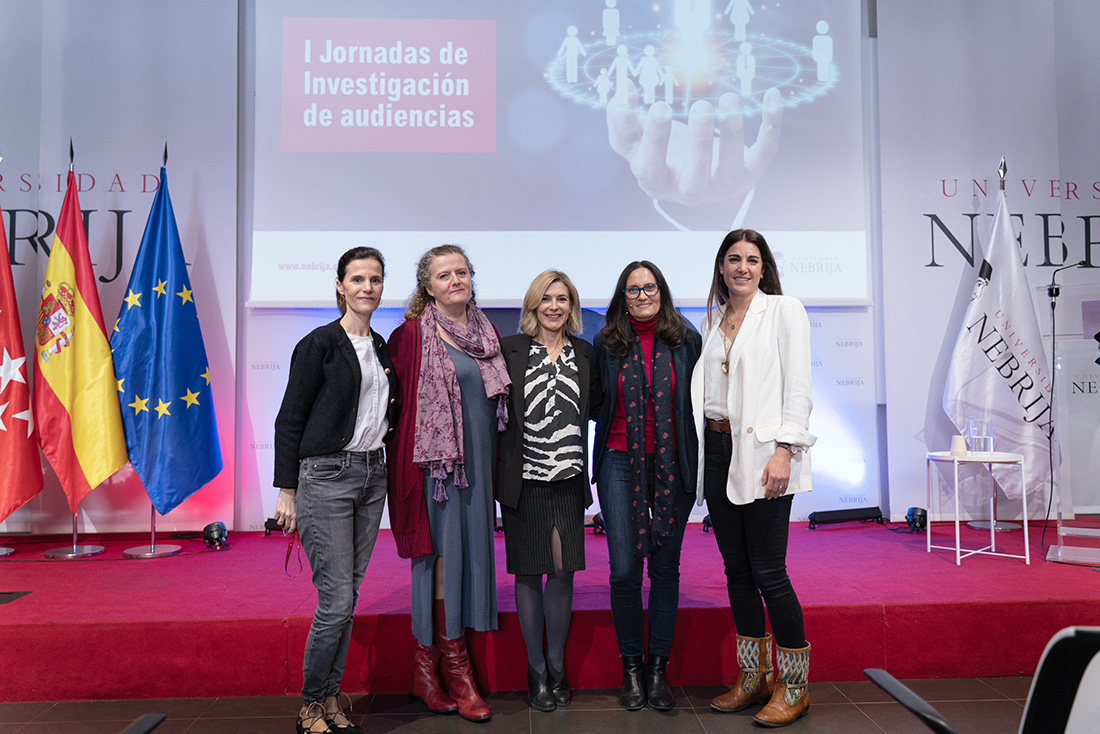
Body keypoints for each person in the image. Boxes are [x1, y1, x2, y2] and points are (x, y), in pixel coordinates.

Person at [690, 229, 816, 727]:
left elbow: (799, 388)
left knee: (769, 572)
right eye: (734, 259)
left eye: (752, 260)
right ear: (721, 267)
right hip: (718, 451)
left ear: (764, 268)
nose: (742, 267)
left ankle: (795, 685)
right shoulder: (712, 319)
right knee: (737, 572)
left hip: (765, 456)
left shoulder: (784, 311)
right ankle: (753, 677)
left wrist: (786, 450)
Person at [273, 246, 398, 734]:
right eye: (358, 279)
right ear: (340, 286)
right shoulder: (319, 344)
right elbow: (290, 419)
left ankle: (329, 699)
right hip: (325, 477)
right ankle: (310, 706)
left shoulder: (381, 346)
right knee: (336, 600)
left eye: (375, 279)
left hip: (372, 476)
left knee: (348, 597)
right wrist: (287, 490)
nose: (368, 287)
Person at [386, 244, 510, 722]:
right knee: (439, 561)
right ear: (428, 286)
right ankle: (452, 670)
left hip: (479, 467)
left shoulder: (486, 331)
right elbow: (397, 412)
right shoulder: (411, 336)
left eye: (462, 272)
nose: (455, 280)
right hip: (435, 472)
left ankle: (428, 672)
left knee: (470, 558)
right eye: (444, 275)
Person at [592, 260, 701, 711]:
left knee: (665, 570)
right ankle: (632, 668)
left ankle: (658, 669)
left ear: (662, 291)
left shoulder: (687, 340)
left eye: (649, 287)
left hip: (673, 463)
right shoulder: (606, 342)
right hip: (619, 460)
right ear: (623, 297)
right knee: (623, 571)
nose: (642, 296)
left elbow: (699, 402)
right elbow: (596, 401)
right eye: (633, 289)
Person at [497, 270, 601, 712]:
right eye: (546, 298)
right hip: (524, 480)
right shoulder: (510, 350)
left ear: (571, 305)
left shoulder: (586, 353)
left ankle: (557, 663)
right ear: (533, 305)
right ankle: (536, 669)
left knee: (561, 572)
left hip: (568, 479)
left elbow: (597, 408)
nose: (554, 306)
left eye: (562, 299)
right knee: (528, 571)